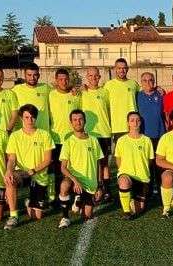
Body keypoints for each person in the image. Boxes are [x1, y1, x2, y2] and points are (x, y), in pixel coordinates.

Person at [4, 104, 54, 230]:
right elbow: (12, 158)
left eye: (32, 117)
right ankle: (13, 215)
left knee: (37, 216)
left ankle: (29, 201)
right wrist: (9, 171)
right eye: (26, 117)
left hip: (38, 174)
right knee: (10, 179)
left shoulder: (44, 134)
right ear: (21, 118)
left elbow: (48, 160)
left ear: (36, 118)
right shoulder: (15, 136)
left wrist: (33, 170)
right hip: (22, 173)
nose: (29, 120)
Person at [58, 110, 104, 227]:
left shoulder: (93, 140)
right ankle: (65, 217)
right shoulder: (68, 142)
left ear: (85, 121)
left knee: (87, 217)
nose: (78, 122)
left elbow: (99, 164)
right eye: (75, 120)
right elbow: (63, 168)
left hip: (90, 185)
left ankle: (78, 201)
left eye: (80, 119)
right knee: (64, 185)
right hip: (74, 181)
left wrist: (99, 186)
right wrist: (75, 180)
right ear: (71, 123)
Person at [49, 68, 81, 202]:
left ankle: (75, 194)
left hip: (72, 140)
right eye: (60, 79)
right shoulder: (49, 94)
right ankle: (57, 197)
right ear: (56, 80)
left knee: (73, 168)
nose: (63, 81)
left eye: (66, 79)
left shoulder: (75, 95)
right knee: (57, 170)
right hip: (56, 138)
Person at [115, 112, 154, 219]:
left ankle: (129, 198)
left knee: (139, 209)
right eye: (132, 120)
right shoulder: (121, 140)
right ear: (128, 123)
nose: (135, 122)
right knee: (124, 181)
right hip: (127, 175)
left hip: (142, 178)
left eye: (137, 120)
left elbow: (150, 160)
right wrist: (122, 173)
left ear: (140, 122)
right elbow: (118, 160)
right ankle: (126, 212)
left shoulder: (147, 140)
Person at [82, 67, 113, 202]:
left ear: (100, 77)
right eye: (90, 75)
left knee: (104, 163)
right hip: (89, 134)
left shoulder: (106, 92)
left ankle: (106, 190)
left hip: (104, 132)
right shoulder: (81, 93)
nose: (93, 78)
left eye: (96, 76)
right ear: (87, 77)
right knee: (92, 164)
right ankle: (93, 189)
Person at [136, 72, 165, 195]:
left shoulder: (161, 94)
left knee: (159, 165)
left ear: (154, 82)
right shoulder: (137, 96)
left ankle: (160, 187)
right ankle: (146, 188)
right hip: (144, 136)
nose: (148, 83)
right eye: (145, 80)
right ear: (141, 83)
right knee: (146, 164)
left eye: (151, 80)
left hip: (160, 135)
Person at [103, 58, 140, 141]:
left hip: (133, 125)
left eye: (124, 68)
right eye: (119, 68)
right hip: (117, 127)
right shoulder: (108, 85)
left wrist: (157, 88)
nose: (122, 70)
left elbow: (145, 92)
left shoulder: (133, 84)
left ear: (127, 69)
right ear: (115, 69)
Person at [11, 63, 51, 131]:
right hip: (23, 134)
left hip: (43, 132)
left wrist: (71, 89)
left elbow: (60, 92)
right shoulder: (16, 90)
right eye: (29, 75)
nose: (32, 78)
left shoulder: (46, 88)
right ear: (25, 75)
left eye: (35, 75)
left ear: (39, 75)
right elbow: (2, 93)